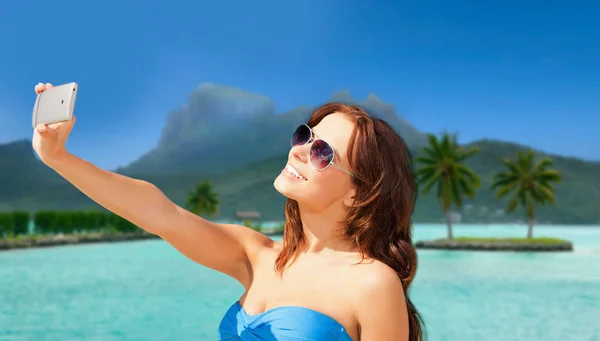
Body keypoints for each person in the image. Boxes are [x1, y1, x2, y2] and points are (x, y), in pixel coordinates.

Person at [32, 82, 425, 341]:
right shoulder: (256, 254)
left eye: (323, 153)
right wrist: (58, 158)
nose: (300, 150)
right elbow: (159, 213)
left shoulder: (373, 284)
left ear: (358, 194)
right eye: (305, 136)